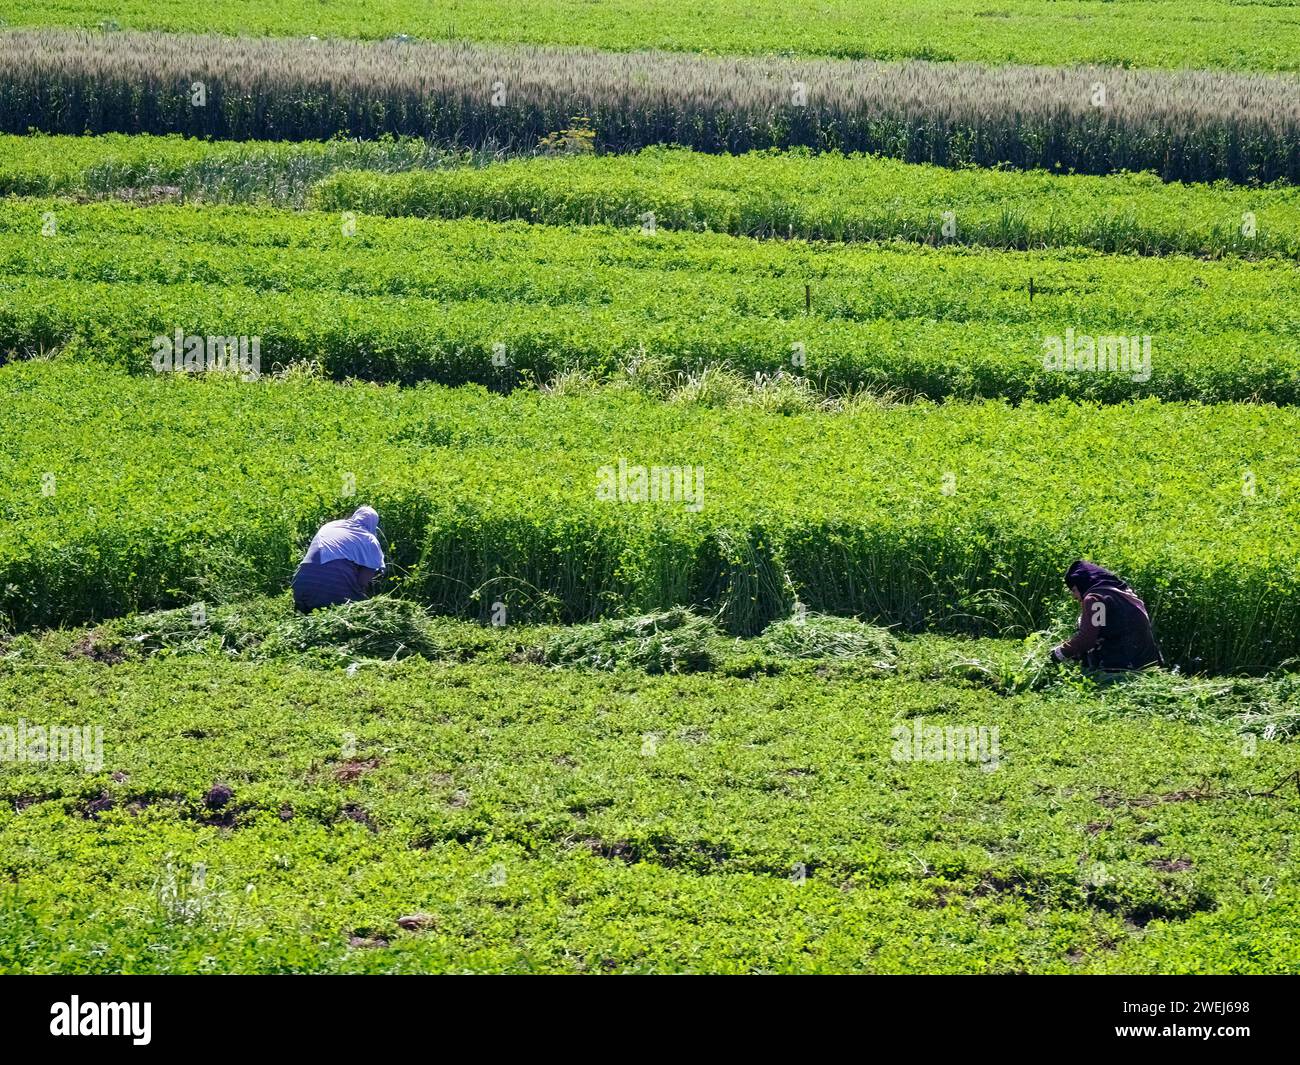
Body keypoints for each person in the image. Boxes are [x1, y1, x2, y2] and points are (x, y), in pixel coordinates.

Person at [1049, 560, 1161, 671]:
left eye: (1074, 590)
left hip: (1125, 668)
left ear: (1082, 584)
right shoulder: (1120, 593)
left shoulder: (1095, 599)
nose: (1074, 596)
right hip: (1147, 663)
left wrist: (1058, 654)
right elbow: (1099, 630)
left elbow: (1087, 639)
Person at [291, 505, 385, 613]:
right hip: (333, 590)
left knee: (306, 616)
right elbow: (363, 581)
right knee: (361, 611)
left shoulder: (331, 526)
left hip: (301, 584)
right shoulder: (370, 540)